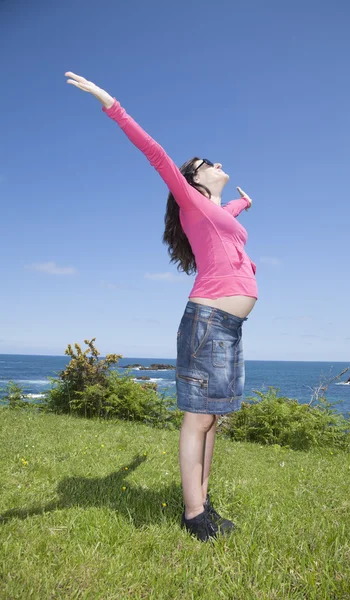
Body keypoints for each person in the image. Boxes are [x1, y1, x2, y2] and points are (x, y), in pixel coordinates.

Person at [65, 72, 258, 542]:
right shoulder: (189, 198)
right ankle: (194, 516)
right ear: (192, 178)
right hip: (208, 321)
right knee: (199, 418)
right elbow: (153, 152)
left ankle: (203, 502)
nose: (217, 163)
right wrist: (110, 103)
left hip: (227, 326)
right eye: (207, 163)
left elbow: (224, 219)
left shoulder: (213, 210)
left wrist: (240, 205)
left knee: (213, 417)